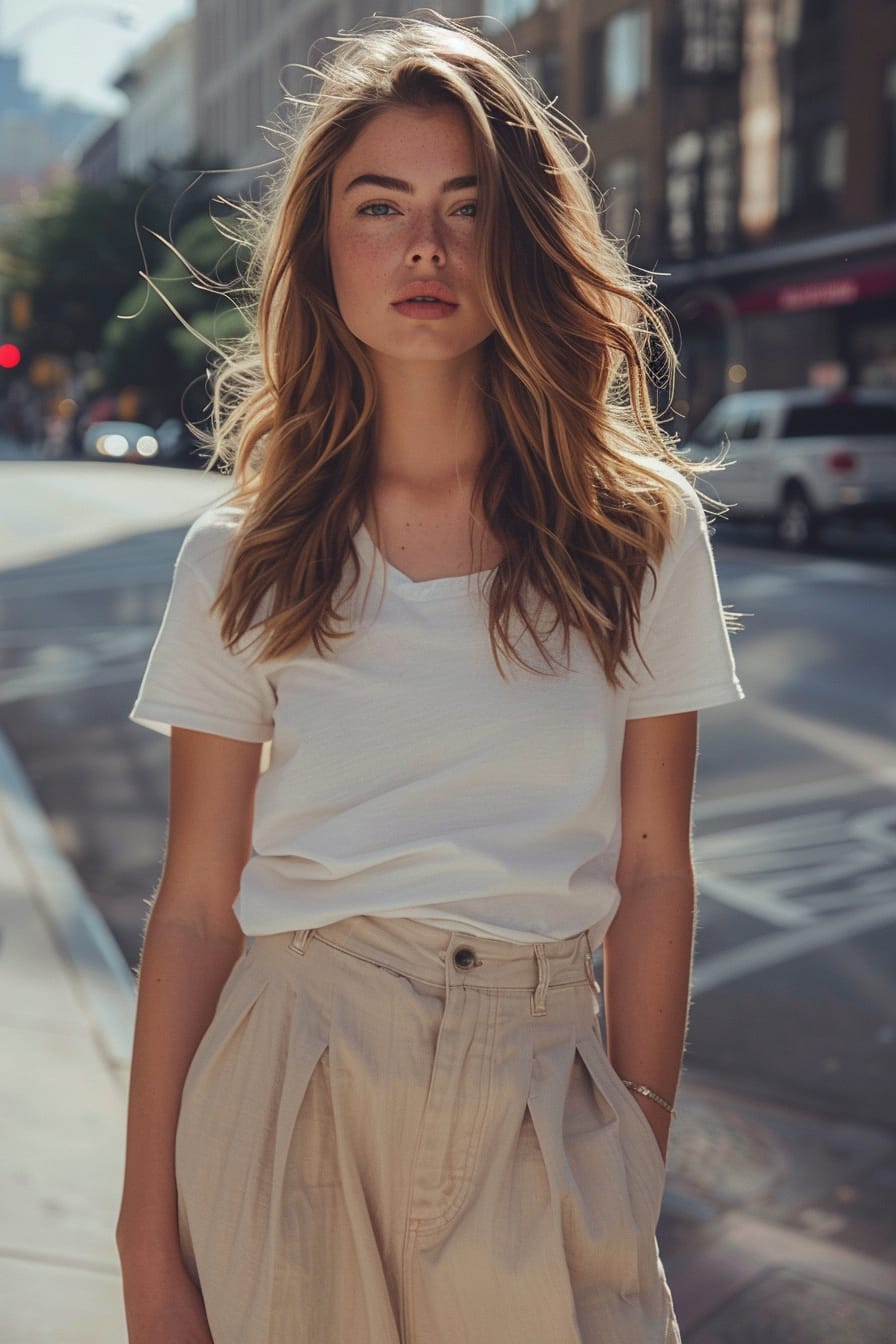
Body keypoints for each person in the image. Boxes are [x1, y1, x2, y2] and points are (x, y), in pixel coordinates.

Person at [116, 13, 742, 1344]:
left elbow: (651, 870)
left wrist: (630, 1148)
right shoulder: (245, 551)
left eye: (468, 207)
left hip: (537, 1089)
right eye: (380, 205)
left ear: (519, 238)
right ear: (321, 249)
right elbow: (193, 907)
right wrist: (144, 1240)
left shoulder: (639, 529)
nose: (425, 246)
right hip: (289, 1075)